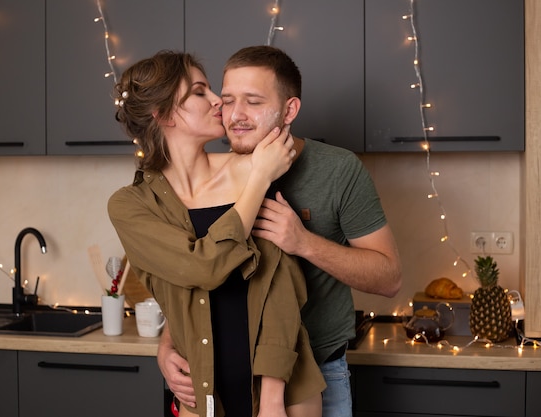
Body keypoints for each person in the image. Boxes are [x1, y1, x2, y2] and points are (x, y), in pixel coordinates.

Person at [157, 46, 402, 417]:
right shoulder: (206, 173)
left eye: (253, 102)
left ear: (289, 110)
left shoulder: (337, 170)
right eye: (227, 100)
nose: (235, 115)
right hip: (219, 376)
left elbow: (389, 279)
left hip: (316, 375)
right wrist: (167, 343)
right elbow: (195, 273)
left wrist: (303, 243)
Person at [107, 50, 325, 417]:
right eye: (199, 92)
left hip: (284, 394)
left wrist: (273, 397)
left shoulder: (254, 165)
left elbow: (280, 284)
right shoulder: (131, 206)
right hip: (200, 396)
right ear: (162, 114)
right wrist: (259, 180)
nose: (218, 102)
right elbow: (198, 270)